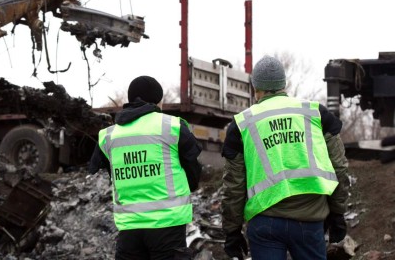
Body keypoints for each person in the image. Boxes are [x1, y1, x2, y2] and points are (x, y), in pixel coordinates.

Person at [221, 55, 350, 260]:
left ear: (256, 88)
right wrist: (337, 213)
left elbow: (234, 184)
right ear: (284, 84)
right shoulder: (315, 114)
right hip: (309, 219)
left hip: (265, 221)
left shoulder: (242, 124)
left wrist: (231, 230)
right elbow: (339, 167)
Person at [89, 75, 204, 260]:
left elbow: (111, 175)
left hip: (129, 229)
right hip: (168, 226)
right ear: (158, 101)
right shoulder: (172, 126)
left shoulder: (108, 136)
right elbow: (193, 170)